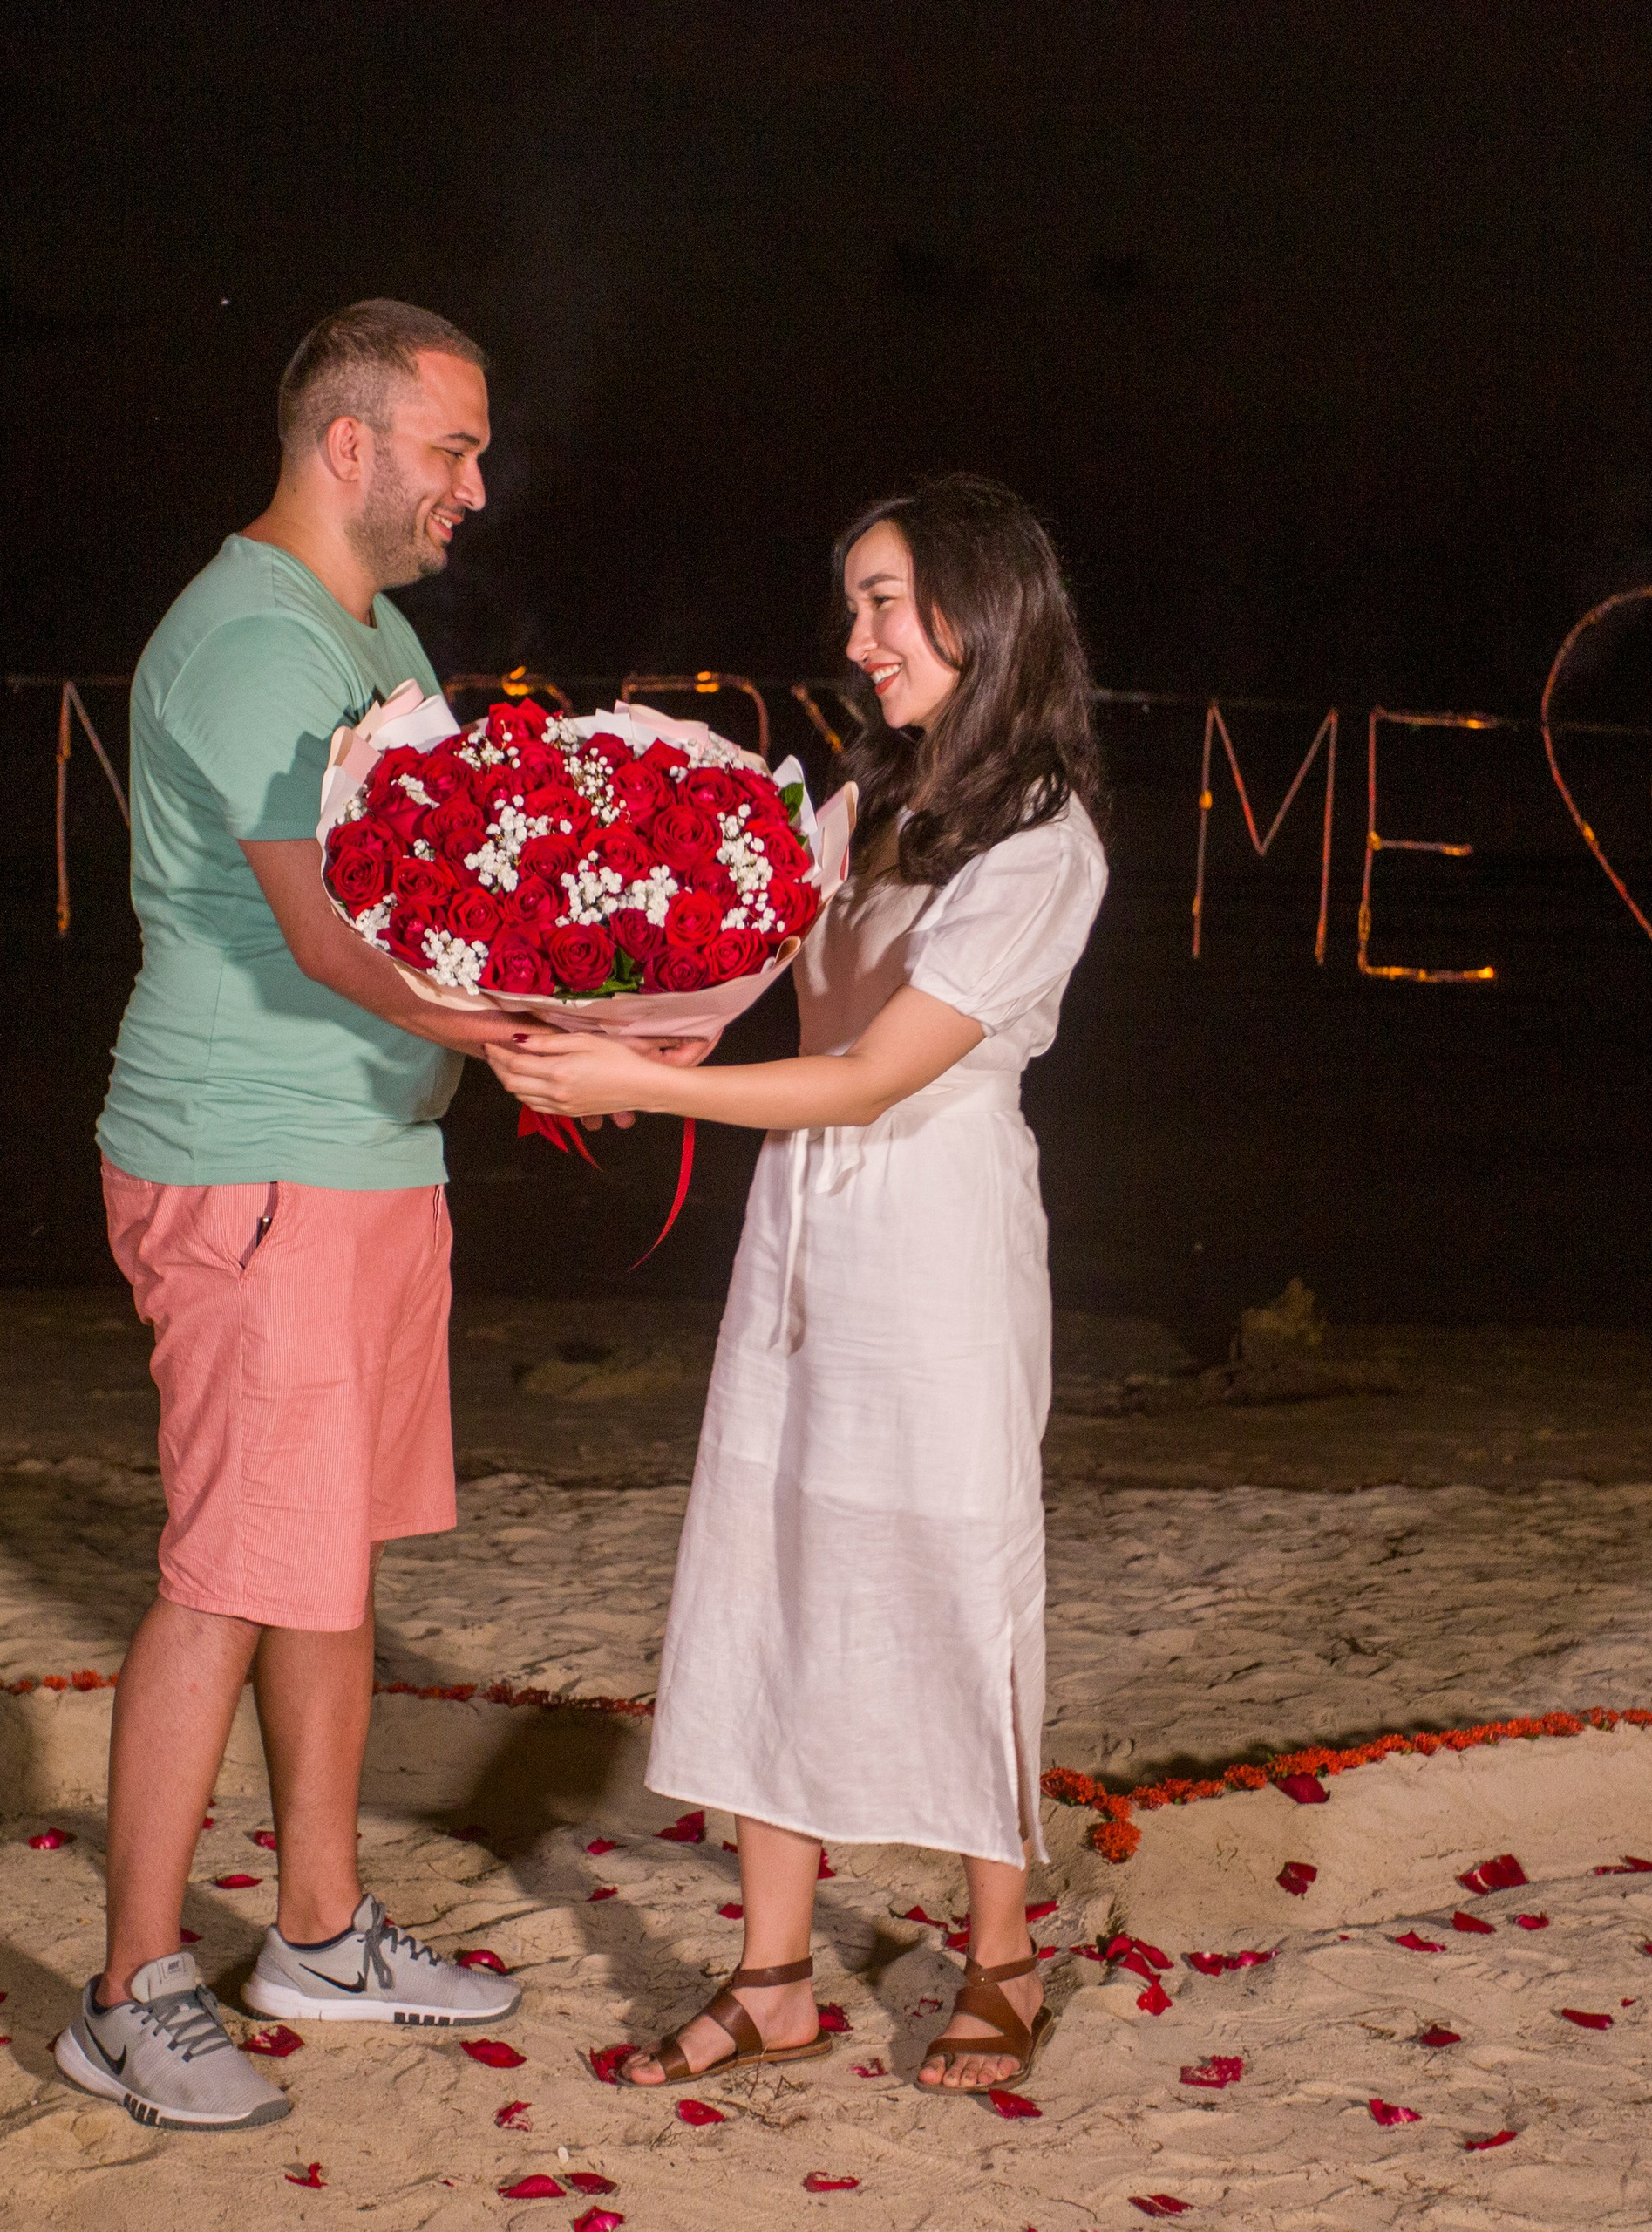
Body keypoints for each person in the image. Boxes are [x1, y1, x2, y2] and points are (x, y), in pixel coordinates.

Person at [489, 473, 1109, 2096]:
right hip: (804, 1225)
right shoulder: (869, 802)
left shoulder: (1045, 843)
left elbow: (875, 1074)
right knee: (769, 1560)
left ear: (984, 609)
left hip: (938, 1235)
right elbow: (740, 986)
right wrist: (600, 1035)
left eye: (886, 603)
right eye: (857, 607)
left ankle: (1001, 1952)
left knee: (955, 1573)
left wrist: (659, 1086)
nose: (860, 639)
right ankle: (772, 1976)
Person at [58, 300, 533, 2132]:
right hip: (251, 1163)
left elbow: (435, 882)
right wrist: (529, 1035)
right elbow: (334, 937)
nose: (474, 483)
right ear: (351, 444)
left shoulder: (372, 631)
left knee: (322, 1559)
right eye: (452, 447)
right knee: (226, 1573)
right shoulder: (254, 640)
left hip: (364, 1157)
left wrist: (561, 976)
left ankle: (320, 1935)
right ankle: (128, 1987)